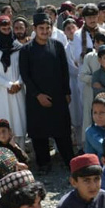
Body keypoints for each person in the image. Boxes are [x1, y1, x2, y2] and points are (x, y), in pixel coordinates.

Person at [19, 12, 75, 172]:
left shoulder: (57, 46)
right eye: (41, 28)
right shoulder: (26, 50)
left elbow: (64, 71)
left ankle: (70, 162)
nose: (44, 31)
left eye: (47, 28)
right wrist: (38, 95)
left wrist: (67, 92)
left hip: (58, 95)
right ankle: (43, 164)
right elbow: (25, 75)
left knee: (62, 130)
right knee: (39, 132)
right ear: (35, 28)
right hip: (36, 98)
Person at [0, 19, 26, 148]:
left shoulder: (19, 48)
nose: (6, 32)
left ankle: (21, 153)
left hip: (18, 91)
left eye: (8, 29)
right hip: (1, 92)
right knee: (3, 123)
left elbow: (24, 69)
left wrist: (18, 83)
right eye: (3, 29)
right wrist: (9, 85)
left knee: (19, 122)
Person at [78, 31, 105, 142]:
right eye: (98, 43)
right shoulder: (89, 57)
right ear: (94, 43)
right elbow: (82, 75)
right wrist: (94, 80)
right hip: (90, 92)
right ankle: (87, 145)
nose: (100, 46)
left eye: (103, 43)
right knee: (89, 118)